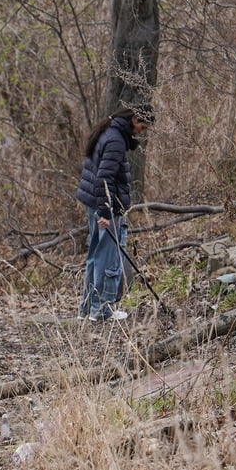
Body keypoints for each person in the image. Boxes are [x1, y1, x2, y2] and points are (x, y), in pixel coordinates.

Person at [75, 103, 154, 322]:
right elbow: (104, 178)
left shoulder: (109, 131)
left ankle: (87, 308)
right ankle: (101, 310)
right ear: (135, 120)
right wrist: (105, 213)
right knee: (107, 258)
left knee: (94, 255)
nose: (141, 133)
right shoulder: (116, 140)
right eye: (143, 128)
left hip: (95, 203)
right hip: (106, 207)